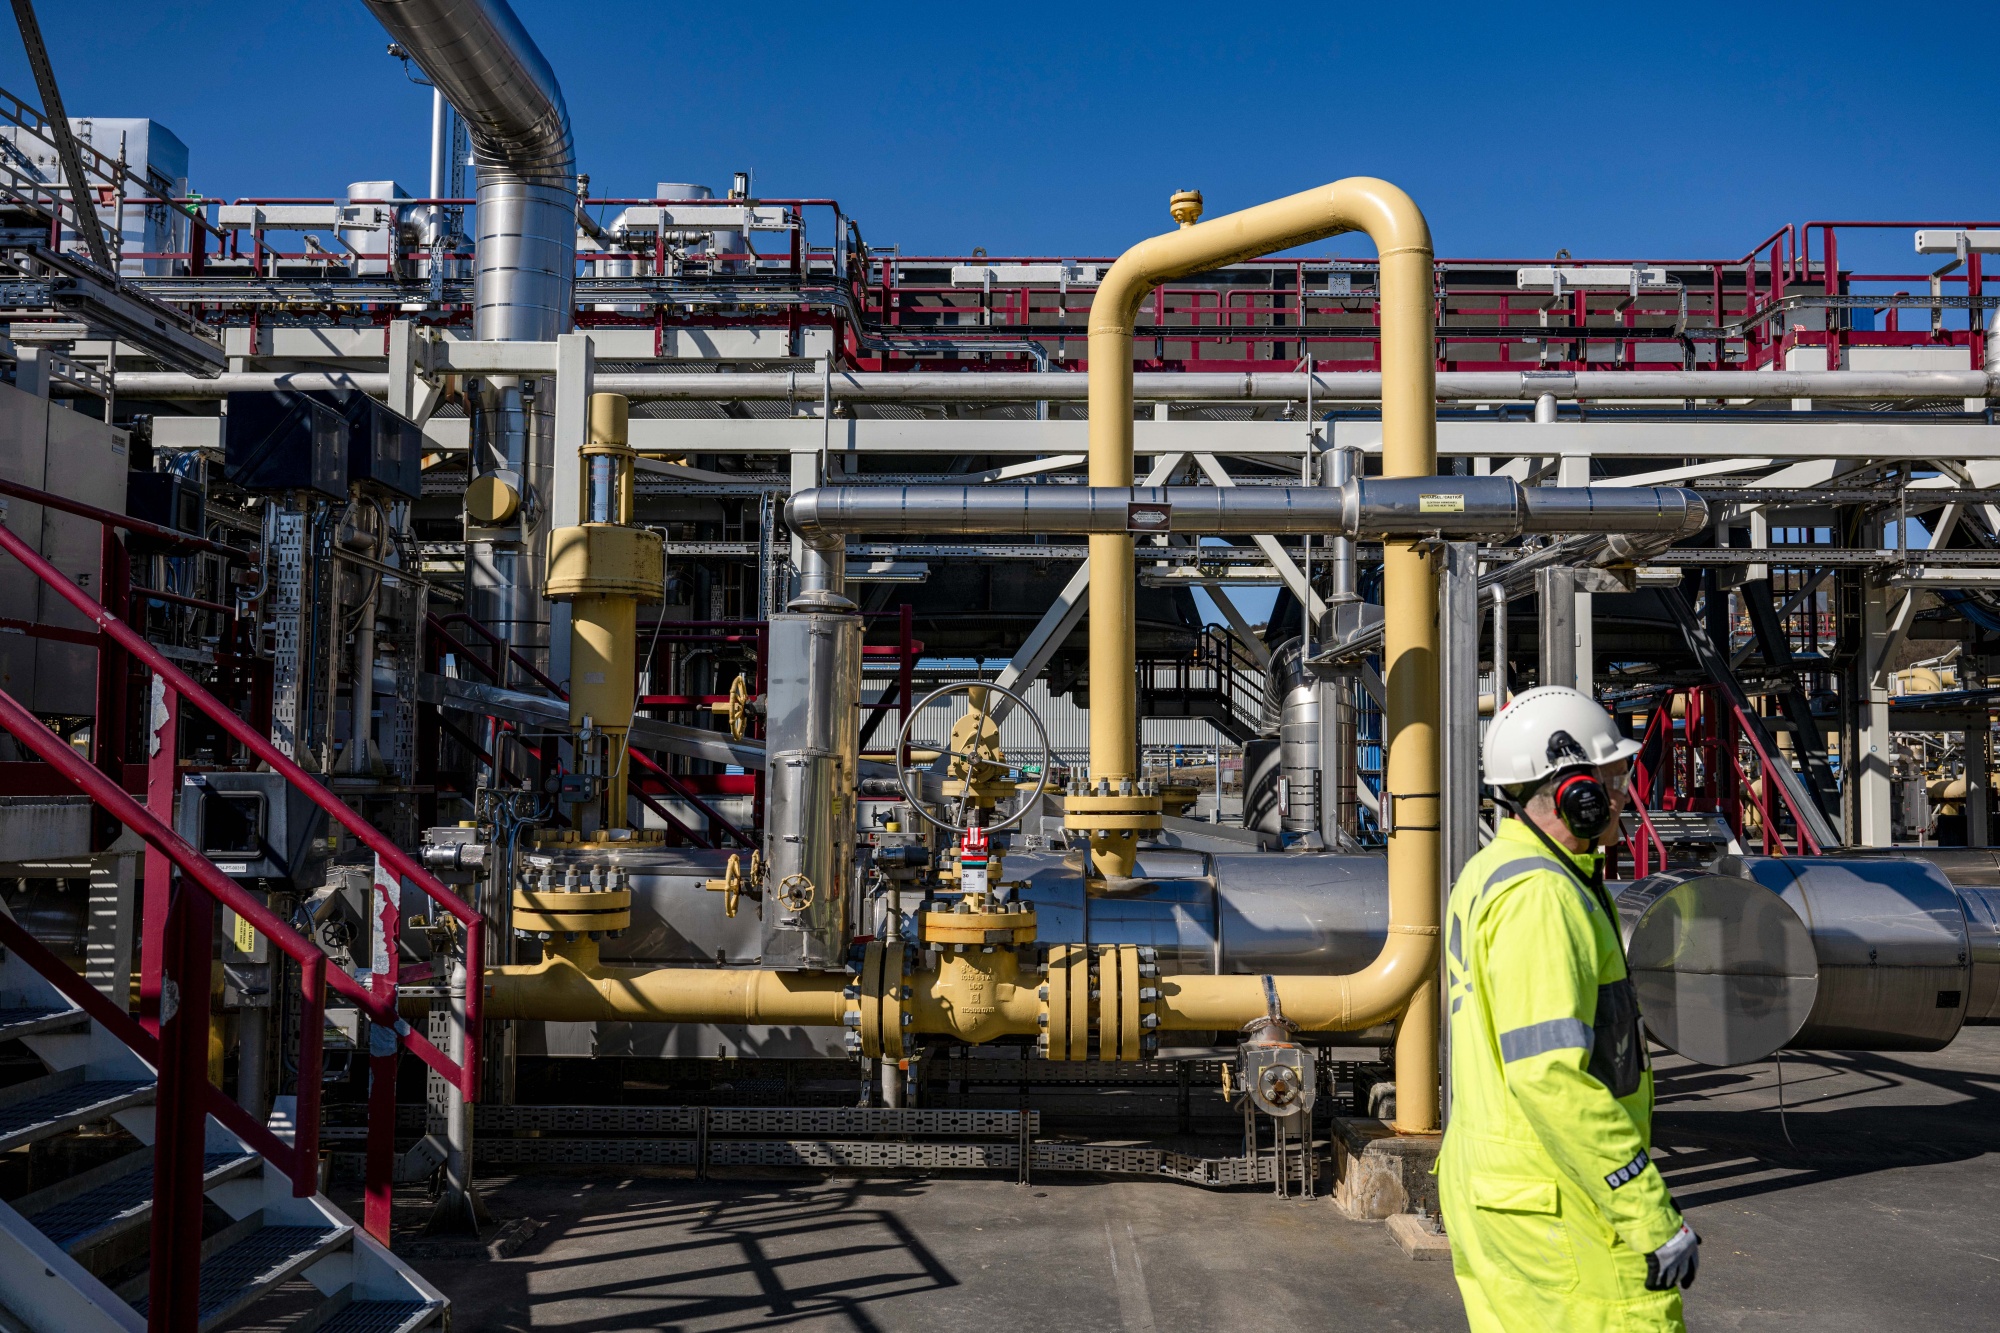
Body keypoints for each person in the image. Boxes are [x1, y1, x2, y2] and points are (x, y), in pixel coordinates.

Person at [1437, 686, 1698, 1332]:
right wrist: (1647, 1211)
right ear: (1571, 794)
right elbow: (1549, 1075)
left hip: (1508, 1191)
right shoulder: (1543, 899)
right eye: (1609, 781)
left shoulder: (1493, 872)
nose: (1619, 796)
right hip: (1556, 1205)